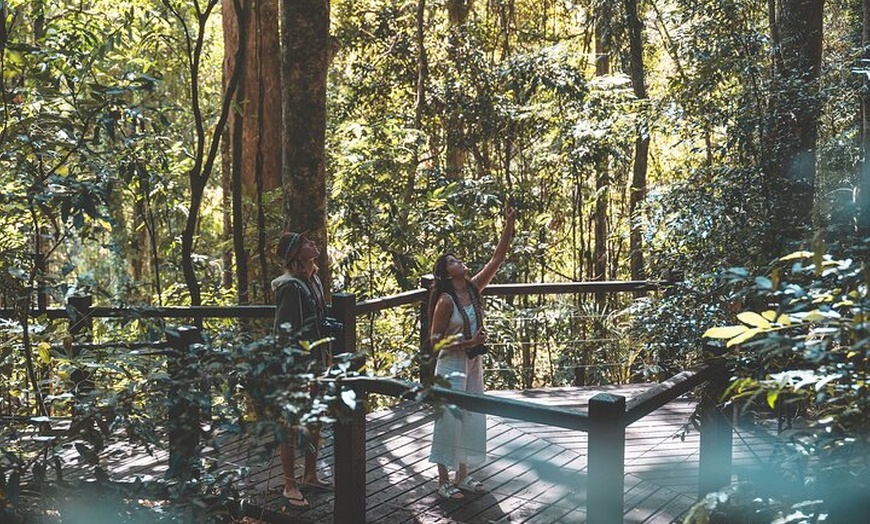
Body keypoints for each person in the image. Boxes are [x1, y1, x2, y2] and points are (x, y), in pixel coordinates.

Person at [428, 205, 516, 500]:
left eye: (458, 258)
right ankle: (443, 482)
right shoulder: (444, 300)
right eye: (453, 261)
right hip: (451, 364)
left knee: (471, 416)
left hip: (473, 363)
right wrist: (467, 342)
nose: (459, 262)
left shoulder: (474, 288)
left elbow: (498, 258)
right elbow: (434, 341)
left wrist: (509, 222)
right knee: (449, 420)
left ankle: (462, 476)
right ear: (445, 272)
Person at [271, 230, 333, 508]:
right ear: (296, 252)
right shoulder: (290, 286)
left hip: (317, 359)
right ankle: (289, 483)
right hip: (296, 365)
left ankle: (310, 474)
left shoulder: (314, 279)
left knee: (315, 420)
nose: (314, 244)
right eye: (308, 243)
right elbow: (284, 331)